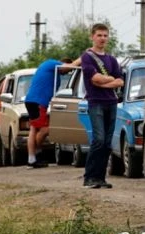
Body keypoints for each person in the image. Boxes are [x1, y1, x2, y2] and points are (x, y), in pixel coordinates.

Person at [80, 23, 124, 189]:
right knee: (98, 139)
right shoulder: (87, 57)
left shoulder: (111, 59)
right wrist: (110, 80)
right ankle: (89, 177)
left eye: (105, 35)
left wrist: (107, 83)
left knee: (107, 143)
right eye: (99, 35)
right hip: (96, 102)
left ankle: (100, 178)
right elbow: (94, 78)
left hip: (111, 103)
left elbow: (120, 80)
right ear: (92, 36)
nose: (102, 38)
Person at [25, 57, 80, 168]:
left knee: (34, 129)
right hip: (37, 102)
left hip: (33, 101)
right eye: (69, 71)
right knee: (45, 129)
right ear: (64, 63)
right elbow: (68, 67)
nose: (68, 72)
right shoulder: (52, 64)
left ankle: (32, 158)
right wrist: (82, 58)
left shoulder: (53, 73)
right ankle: (36, 154)